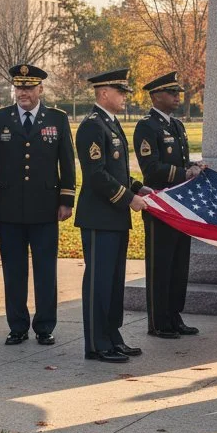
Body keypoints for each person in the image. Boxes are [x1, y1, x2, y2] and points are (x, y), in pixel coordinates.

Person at [0, 64, 74, 345]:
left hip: (46, 207)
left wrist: (66, 200)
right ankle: (18, 326)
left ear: (40, 89)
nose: (23, 92)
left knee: (46, 271)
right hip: (9, 208)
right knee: (14, 271)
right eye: (19, 87)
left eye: (29, 87)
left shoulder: (56, 119)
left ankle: (45, 326)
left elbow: (67, 163)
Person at [75, 69, 152, 363]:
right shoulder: (93, 127)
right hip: (99, 217)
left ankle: (111, 335)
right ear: (104, 92)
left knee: (113, 281)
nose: (124, 97)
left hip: (114, 216)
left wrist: (137, 187)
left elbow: (116, 171)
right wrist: (128, 198)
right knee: (99, 282)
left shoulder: (110, 124)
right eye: (120, 92)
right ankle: (96, 343)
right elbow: (96, 176)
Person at [133, 72, 202, 339]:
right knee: (160, 265)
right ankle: (158, 321)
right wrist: (183, 173)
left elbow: (180, 163)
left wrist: (194, 168)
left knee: (178, 264)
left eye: (178, 93)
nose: (177, 97)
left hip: (180, 205)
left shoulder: (177, 126)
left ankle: (174, 316)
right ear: (156, 96)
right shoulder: (146, 127)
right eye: (172, 93)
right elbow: (151, 170)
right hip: (160, 205)